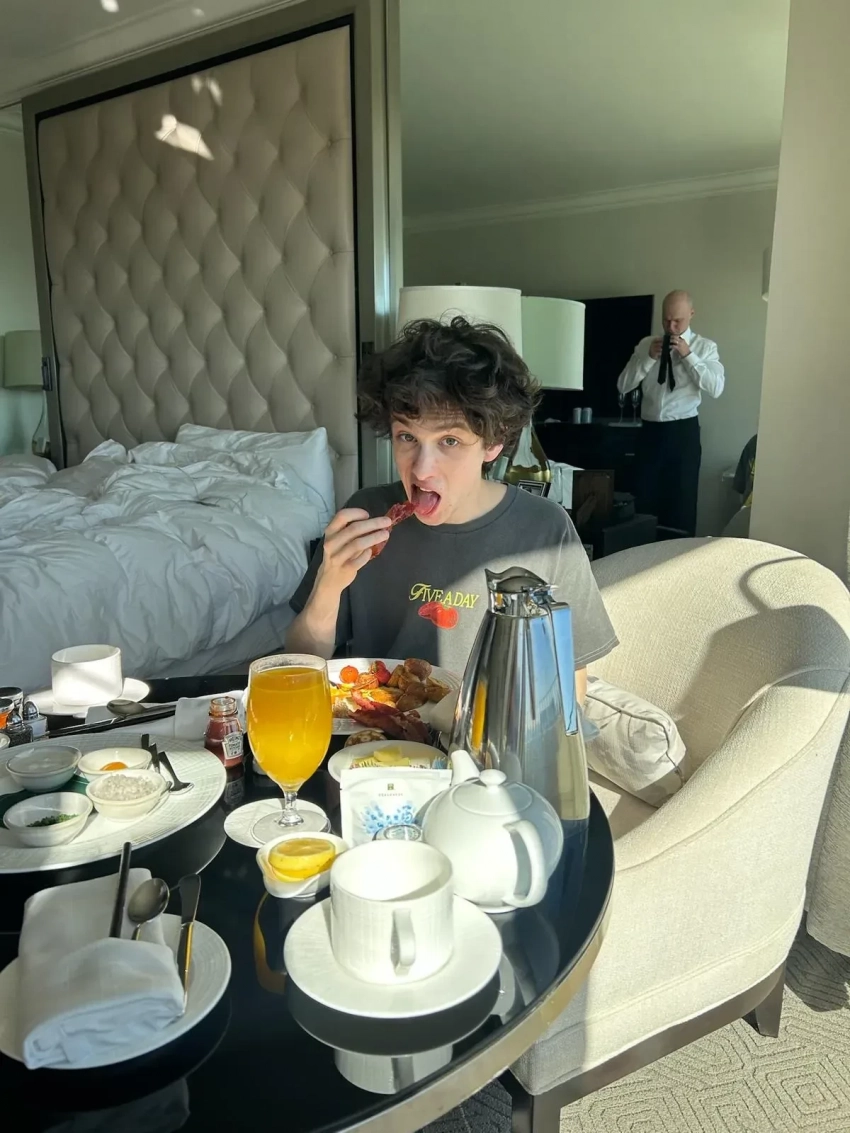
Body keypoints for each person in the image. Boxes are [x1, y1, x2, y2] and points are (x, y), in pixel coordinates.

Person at [287, 316, 618, 700]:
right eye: (407, 437)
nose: (422, 469)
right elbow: (298, 665)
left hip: (489, 731)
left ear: (493, 443)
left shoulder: (544, 529)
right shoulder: (367, 512)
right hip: (377, 727)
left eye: (449, 441)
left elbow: (571, 684)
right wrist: (328, 584)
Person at [617, 290, 725, 536]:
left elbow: (716, 388)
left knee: (682, 504)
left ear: (691, 314)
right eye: (666, 320)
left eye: (678, 320)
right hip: (649, 433)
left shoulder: (705, 347)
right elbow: (623, 385)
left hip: (683, 433)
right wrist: (647, 359)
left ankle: (681, 557)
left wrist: (689, 356)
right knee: (643, 503)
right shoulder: (646, 345)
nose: (671, 326)